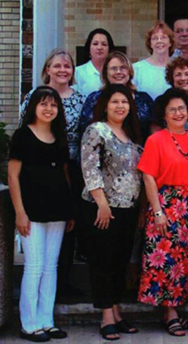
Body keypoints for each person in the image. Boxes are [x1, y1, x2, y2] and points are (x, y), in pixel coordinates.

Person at [137, 88, 188, 336]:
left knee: (184, 261)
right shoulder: (155, 140)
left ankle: (177, 307)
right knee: (164, 259)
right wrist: (156, 211)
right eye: (172, 109)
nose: (178, 113)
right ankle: (169, 313)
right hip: (165, 204)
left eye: (182, 109)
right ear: (164, 114)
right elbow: (148, 177)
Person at [9, 86, 74, 342]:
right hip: (31, 210)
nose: (49, 109)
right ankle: (29, 324)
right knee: (34, 267)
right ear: (33, 107)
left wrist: (69, 211)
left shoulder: (59, 136)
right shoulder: (22, 136)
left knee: (50, 266)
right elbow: (13, 176)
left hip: (57, 208)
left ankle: (47, 321)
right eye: (43, 104)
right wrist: (19, 213)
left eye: (54, 105)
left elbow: (65, 175)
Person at [19, 49, 86, 296]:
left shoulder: (80, 99)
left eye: (67, 66)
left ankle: (63, 282)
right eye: (57, 66)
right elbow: (23, 132)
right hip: (38, 170)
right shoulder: (34, 97)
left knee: (67, 227)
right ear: (47, 69)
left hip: (71, 168)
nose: (62, 70)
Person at [80, 84, 143, 341]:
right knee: (103, 262)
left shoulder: (132, 135)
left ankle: (116, 311)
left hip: (128, 208)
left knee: (120, 262)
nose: (120, 106)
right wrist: (102, 204)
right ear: (105, 105)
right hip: (102, 209)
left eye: (125, 102)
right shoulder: (97, 130)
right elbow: (89, 167)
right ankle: (106, 315)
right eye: (115, 101)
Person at [79, 51, 155, 140]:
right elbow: (83, 130)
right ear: (106, 73)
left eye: (123, 68)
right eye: (113, 68)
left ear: (129, 72)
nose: (118, 72)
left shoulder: (144, 99)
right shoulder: (94, 99)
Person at [133, 21, 174, 100]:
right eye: (155, 38)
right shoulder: (137, 69)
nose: (159, 41)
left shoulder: (177, 68)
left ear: (170, 42)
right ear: (150, 44)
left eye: (163, 37)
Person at [75, 28, 115, 96]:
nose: (99, 47)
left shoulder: (116, 71)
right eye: (95, 44)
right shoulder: (78, 72)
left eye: (104, 44)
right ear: (89, 48)